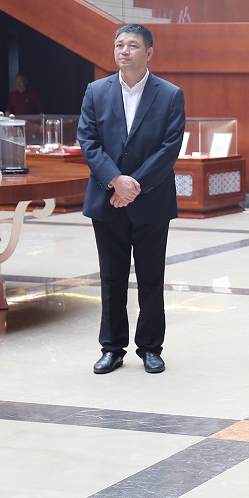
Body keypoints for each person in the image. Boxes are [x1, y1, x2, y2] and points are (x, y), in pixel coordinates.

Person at [78, 24, 185, 375]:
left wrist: (133, 185)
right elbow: (88, 141)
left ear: (149, 53)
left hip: (151, 201)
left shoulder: (170, 94)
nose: (124, 50)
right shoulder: (96, 91)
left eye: (133, 45)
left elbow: (169, 148)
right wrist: (115, 180)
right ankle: (112, 348)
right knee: (111, 278)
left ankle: (151, 348)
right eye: (119, 45)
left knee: (151, 278)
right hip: (106, 199)